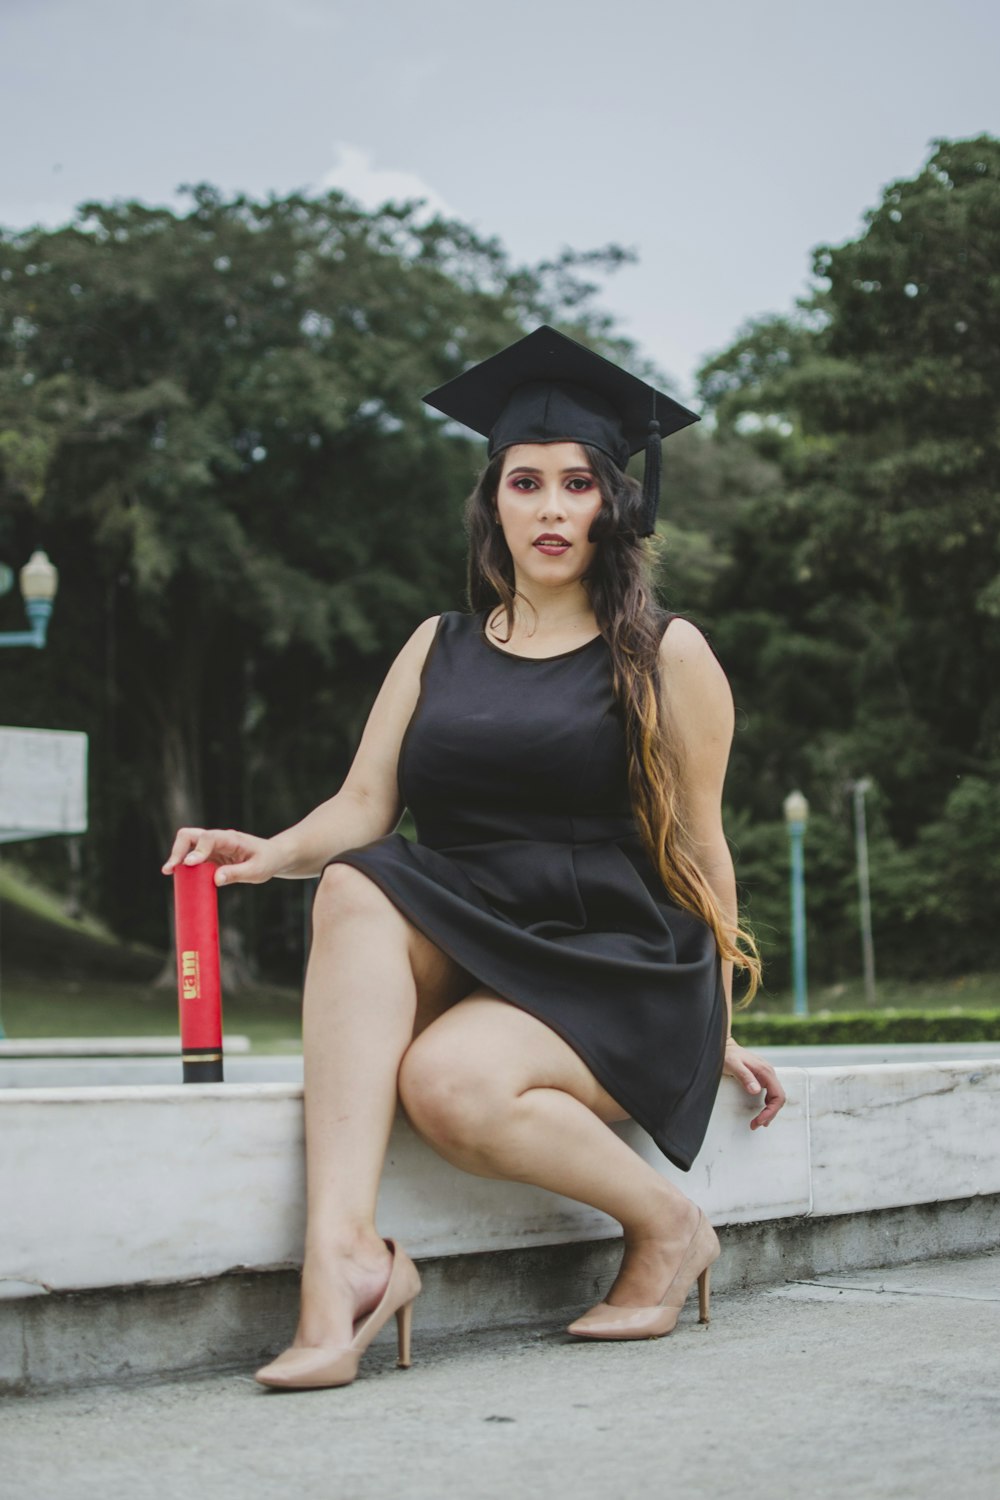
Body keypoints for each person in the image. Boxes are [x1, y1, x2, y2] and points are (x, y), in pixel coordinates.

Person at [162, 325, 786, 1392]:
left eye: (577, 484)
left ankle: (670, 1226)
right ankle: (346, 1262)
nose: (550, 507)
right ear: (492, 498)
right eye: (526, 481)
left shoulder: (664, 654)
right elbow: (363, 807)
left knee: (448, 1084)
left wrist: (713, 1028)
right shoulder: (436, 644)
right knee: (360, 880)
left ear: (613, 505)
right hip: (477, 929)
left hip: (609, 956)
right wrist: (263, 854)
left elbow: (697, 846)